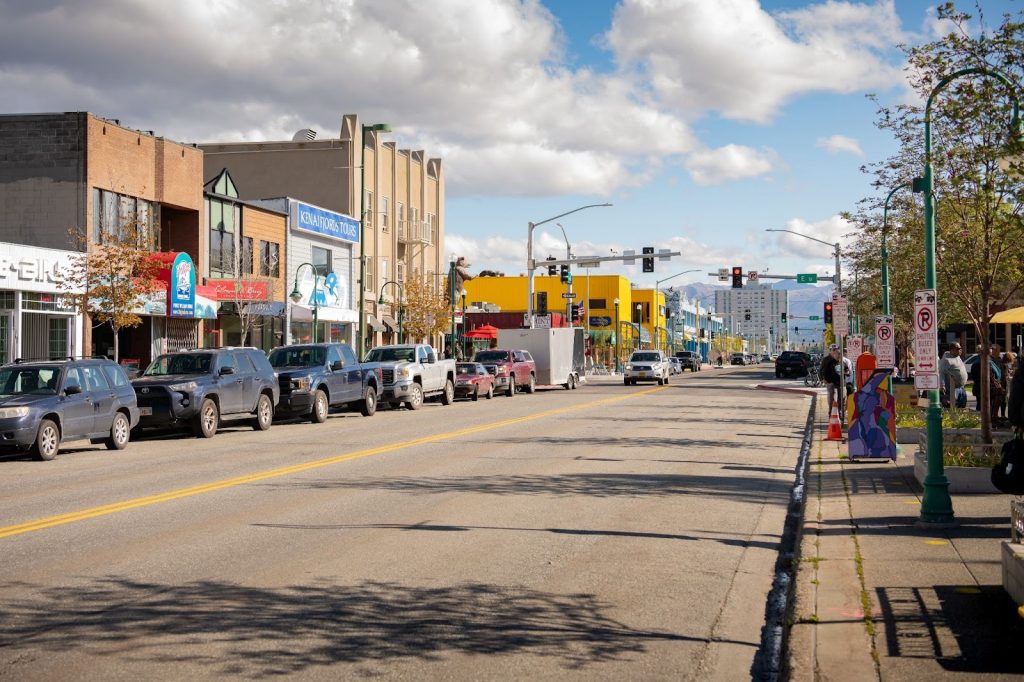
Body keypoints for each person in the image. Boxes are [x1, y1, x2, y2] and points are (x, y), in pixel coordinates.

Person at [820, 345, 852, 420]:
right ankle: (831, 413)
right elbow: (824, 372)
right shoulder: (829, 362)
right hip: (832, 383)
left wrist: (845, 372)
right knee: (832, 398)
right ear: (833, 354)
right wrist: (825, 380)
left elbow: (848, 373)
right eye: (837, 354)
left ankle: (841, 414)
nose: (838, 355)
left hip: (841, 383)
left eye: (839, 354)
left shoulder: (843, 362)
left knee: (842, 399)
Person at [938, 342, 968, 409]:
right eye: (958, 349)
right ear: (952, 350)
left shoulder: (958, 357)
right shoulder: (946, 360)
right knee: (954, 408)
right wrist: (942, 385)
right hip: (952, 389)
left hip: (961, 388)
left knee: (962, 407)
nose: (960, 350)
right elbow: (941, 372)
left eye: (960, 348)